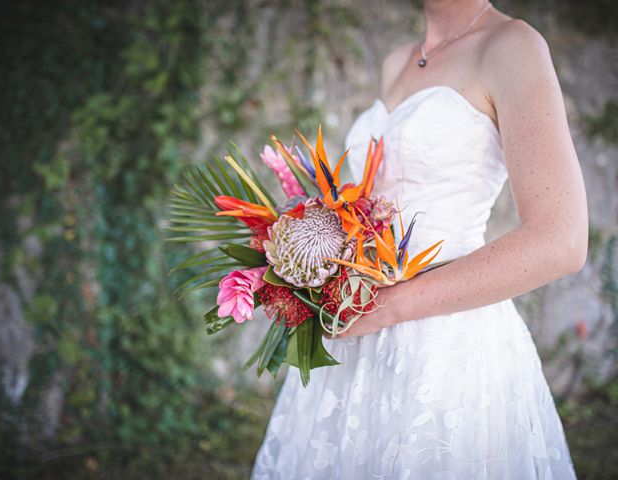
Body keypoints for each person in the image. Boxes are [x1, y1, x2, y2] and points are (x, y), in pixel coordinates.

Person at [250, 0, 587, 478]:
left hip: (447, 342)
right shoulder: (396, 61)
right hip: (354, 339)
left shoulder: (512, 47)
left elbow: (561, 241)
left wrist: (389, 308)